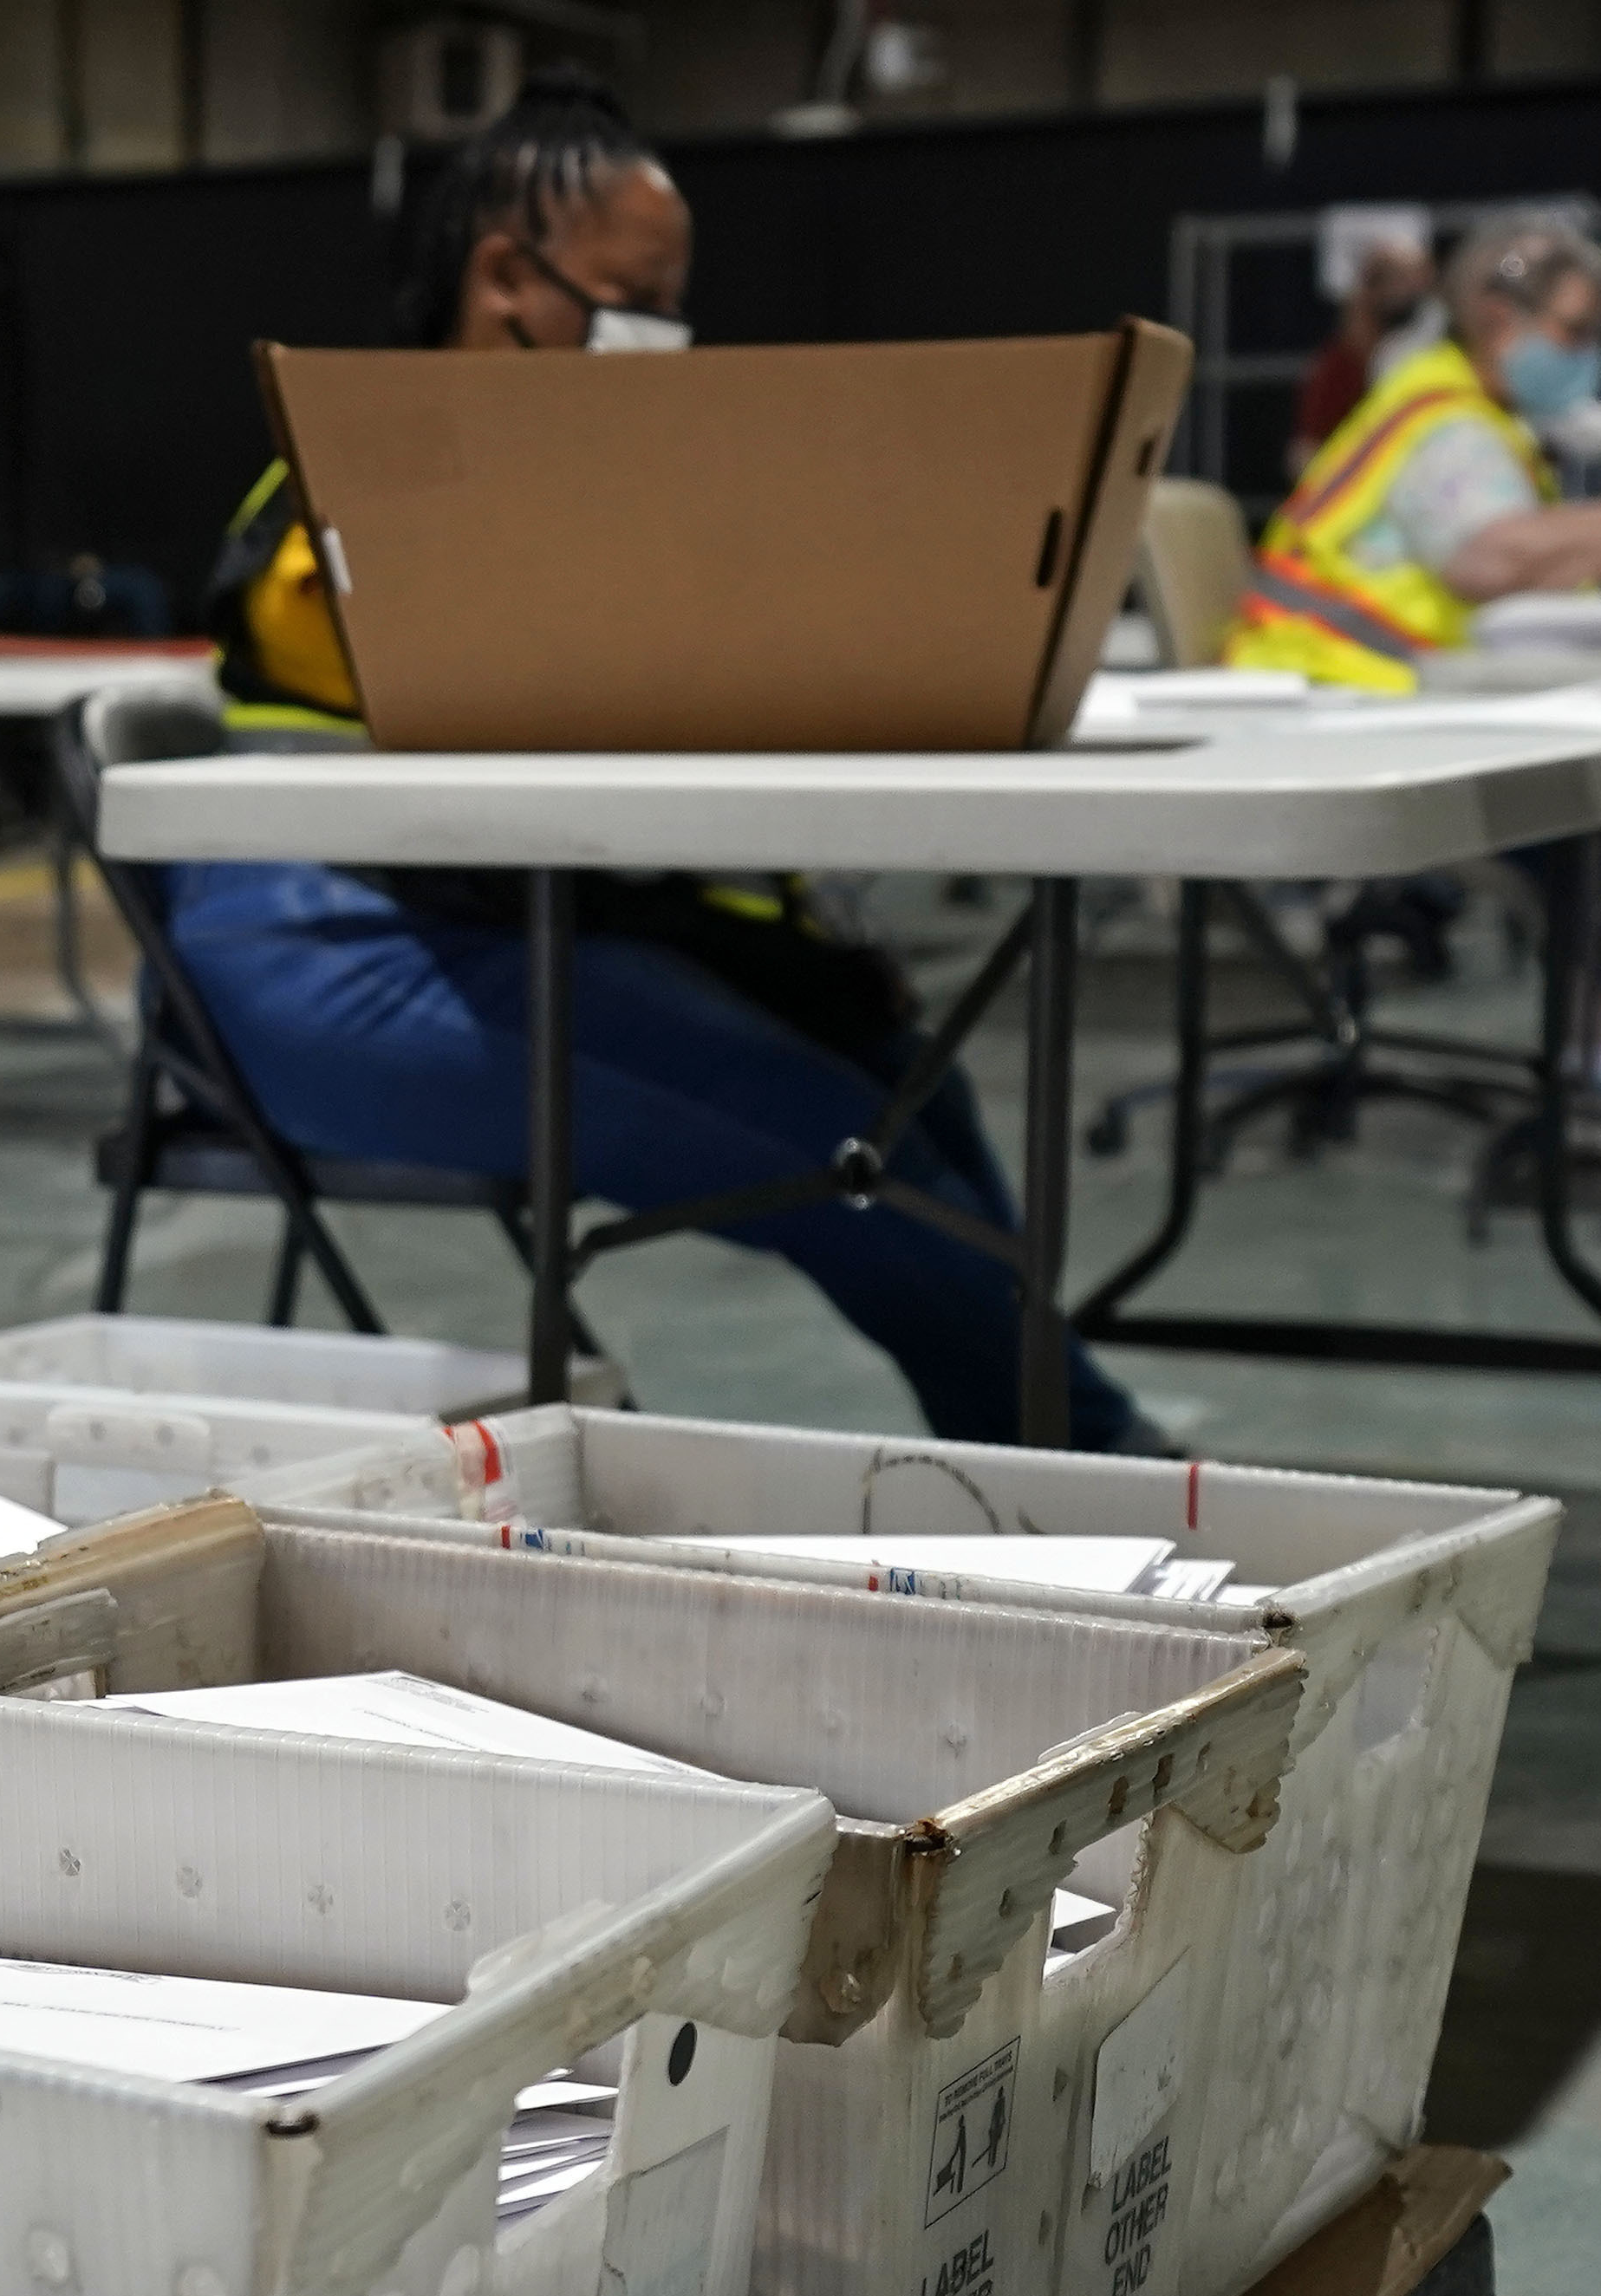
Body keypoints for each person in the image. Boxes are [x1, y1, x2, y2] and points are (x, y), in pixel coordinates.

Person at [174, 75, 1152, 1451]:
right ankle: (1098, 1467)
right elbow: (576, 685)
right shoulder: (355, 504)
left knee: (886, 1066)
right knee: (846, 1152)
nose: (663, 338)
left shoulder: (567, 499)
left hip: (488, 924)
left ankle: (1055, 1449)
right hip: (325, 958)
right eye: (633, 296)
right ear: (508, 279)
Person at [1228, 218, 1601, 693]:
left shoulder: (1463, 403)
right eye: (1575, 331)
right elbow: (1491, 560)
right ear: (1500, 321)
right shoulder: (1446, 420)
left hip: (1351, 676)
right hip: (1325, 679)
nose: (1588, 353)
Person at [1292, 227, 1436, 472]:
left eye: (1409, 277)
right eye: (1384, 278)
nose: (1400, 289)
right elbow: (1304, 453)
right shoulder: (1340, 363)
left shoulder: (1445, 348)